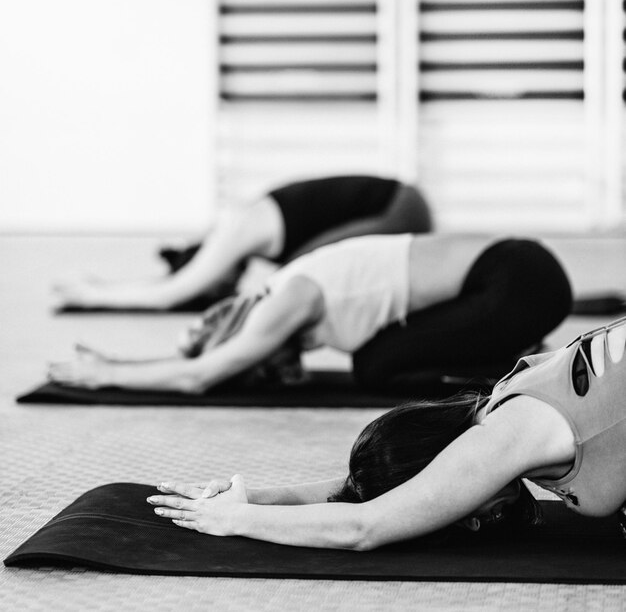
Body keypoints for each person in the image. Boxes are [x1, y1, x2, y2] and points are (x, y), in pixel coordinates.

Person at [143, 317, 626, 550]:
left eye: (454, 514)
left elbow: (364, 526)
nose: (471, 521)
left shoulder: (500, 438)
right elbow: (364, 491)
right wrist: (252, 497)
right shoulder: (498, 402)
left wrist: (236, 521)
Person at [47, 233, 571, 394]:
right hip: (523, 277)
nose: (273, 370)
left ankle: (526, 366)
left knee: (375, 366)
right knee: (377, 357)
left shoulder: (286, 300)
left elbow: (199, 377)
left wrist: (107, 373)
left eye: (254, 364)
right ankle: (521, 347)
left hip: (521, 283)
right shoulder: (286, 290)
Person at [52, 175, 432, 311]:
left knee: (304, 276)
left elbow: (172, 292)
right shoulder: (248, 225)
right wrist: (107, 284)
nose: (220, 286)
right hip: (401, 205)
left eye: (214, 280)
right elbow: (173, 284)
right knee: (292, 277)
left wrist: (91, 296)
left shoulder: (236, 229)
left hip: (401, 209)